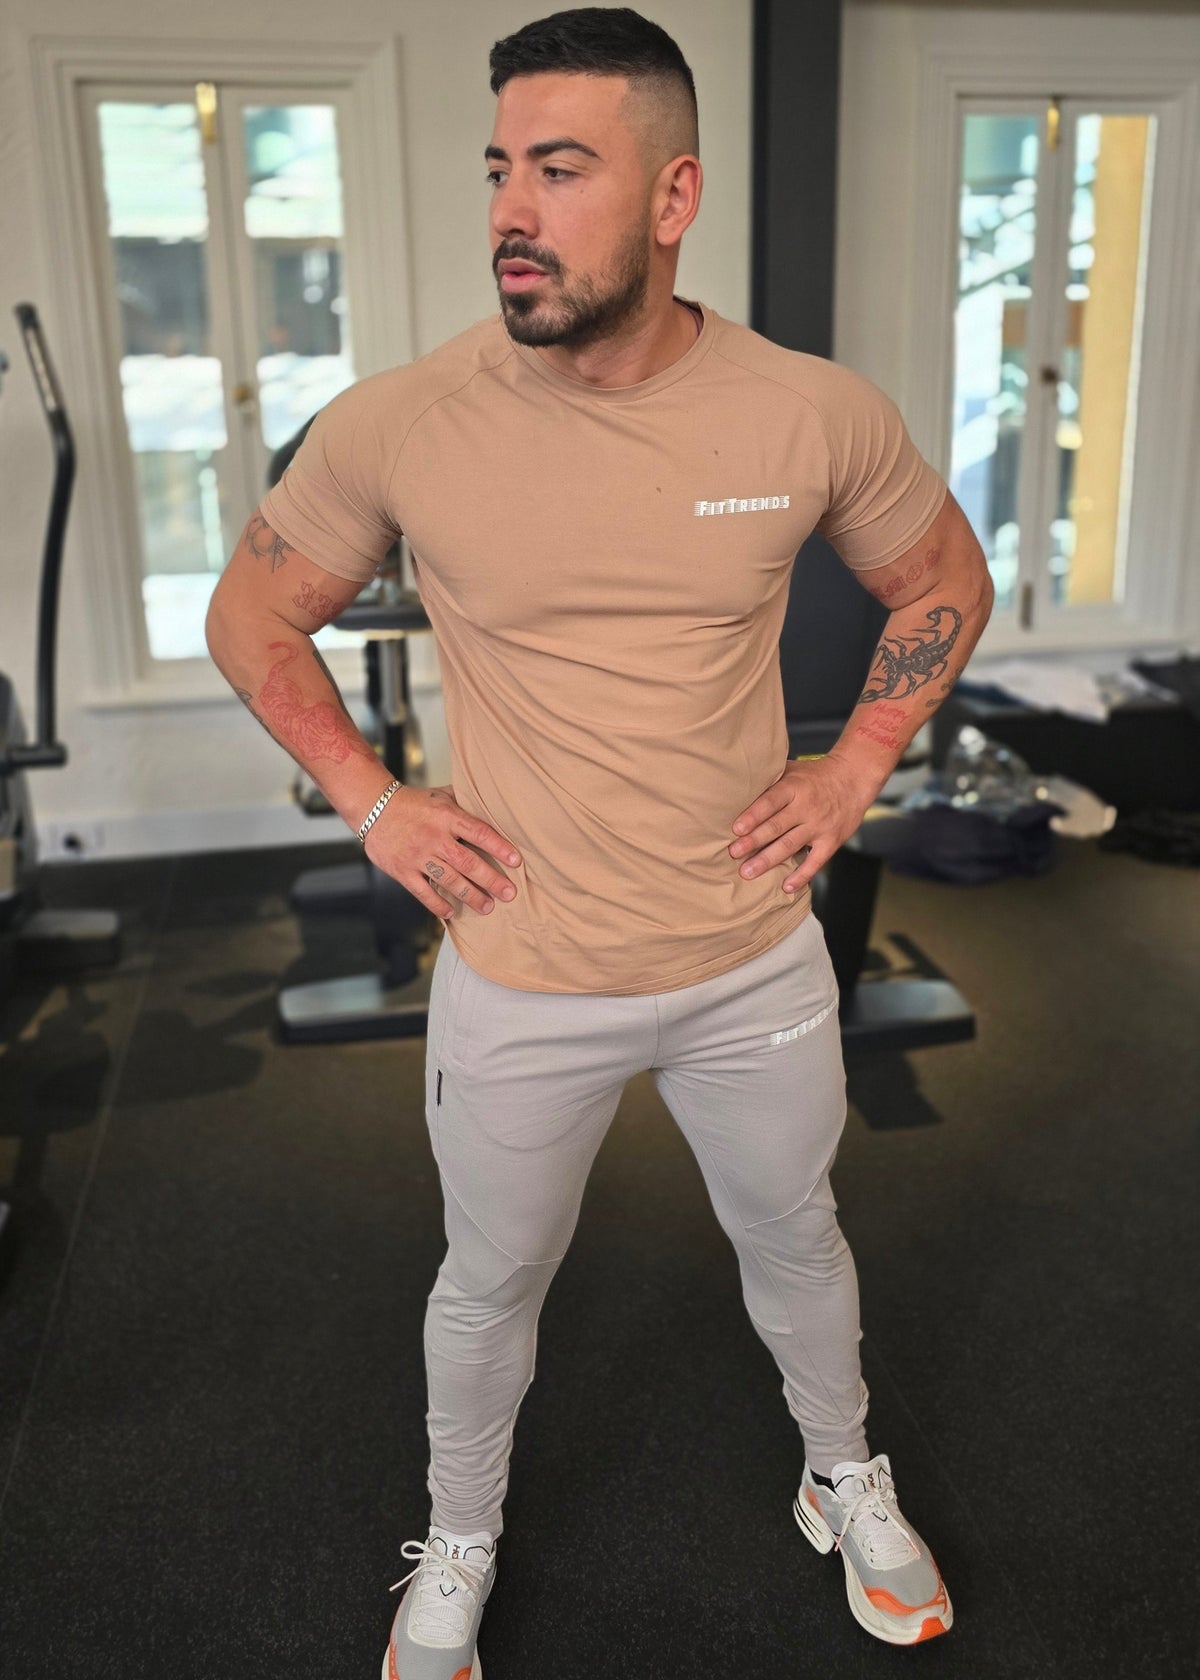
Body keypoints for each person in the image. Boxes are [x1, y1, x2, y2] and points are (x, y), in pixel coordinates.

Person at [206, 9, 993, 1673]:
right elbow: (251, 613)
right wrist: (375, 802)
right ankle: (464, 1540)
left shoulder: (806, 412)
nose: (514, 207)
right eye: (501, 168)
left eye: (561, 170)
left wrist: (854, 767)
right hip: (525, 968)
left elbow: (946, 580)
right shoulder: (406, 422)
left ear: (672, 195)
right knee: (488, 1286)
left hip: (748, 957)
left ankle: (843, 1473)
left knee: (800, 1240)